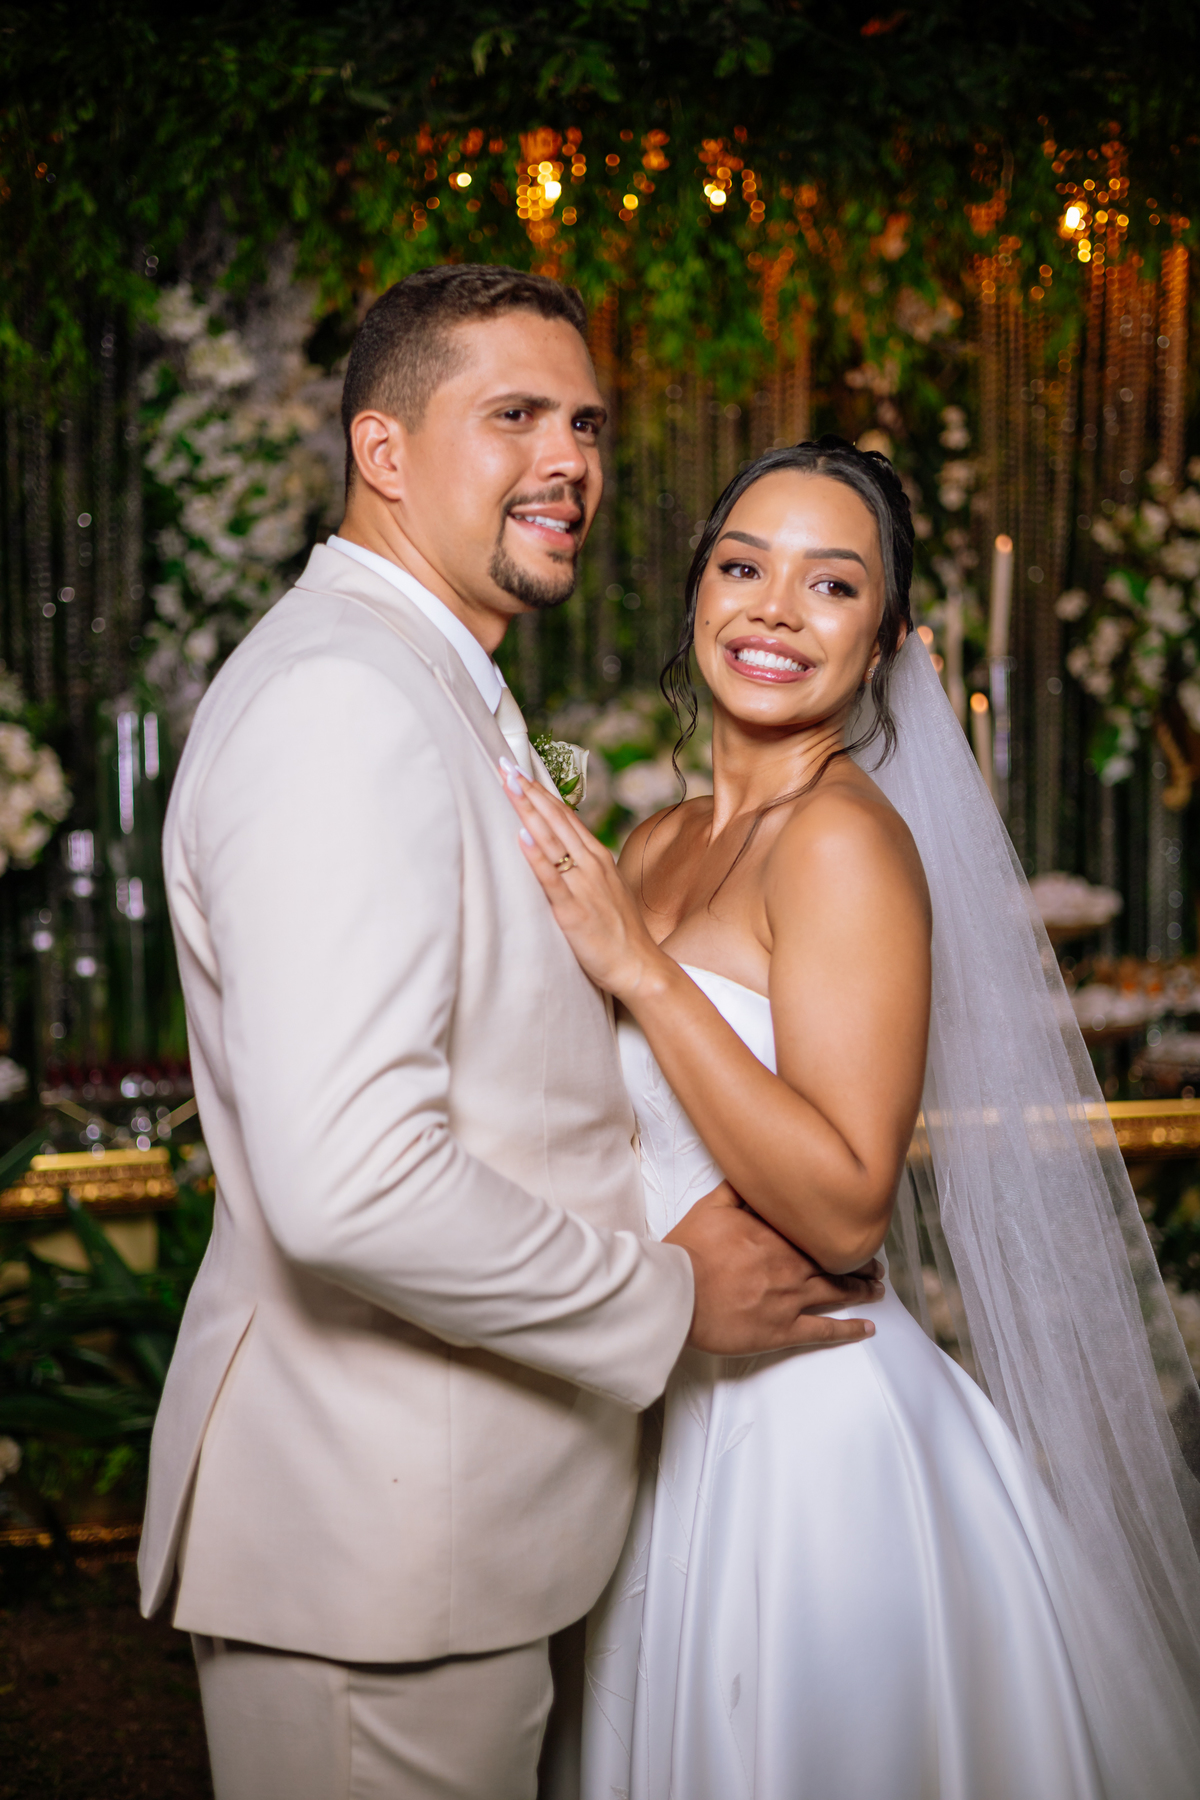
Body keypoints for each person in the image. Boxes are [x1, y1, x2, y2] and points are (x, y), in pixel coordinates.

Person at [137, 269, 882, 1800]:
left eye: (587, 424)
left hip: (455, 1533)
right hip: (373, 1549)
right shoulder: (344, 702)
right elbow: (350, 1182)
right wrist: (667, 1295)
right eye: (516, 416)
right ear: (384, 450)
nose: (570, 462)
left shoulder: (423, 680)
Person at [504, 438, 1200, 1799]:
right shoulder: (656, 843)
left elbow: (844, 1205)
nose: (773, 610)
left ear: (882, 645)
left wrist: (641, 971)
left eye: (831, 585)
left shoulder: (843, 841)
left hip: (806, 1440)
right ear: (698, 593)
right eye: (742, 567)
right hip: (665, 1393)